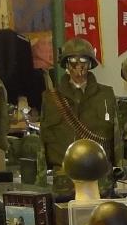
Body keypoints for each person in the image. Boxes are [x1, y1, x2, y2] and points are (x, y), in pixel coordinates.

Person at [40, 38, 121, 171]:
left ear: (90, 64)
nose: (78, 65)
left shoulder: (106, 95)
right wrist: (42, 175)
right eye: (73, 60)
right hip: (61, 172)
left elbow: (116, 138)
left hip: (98, 171)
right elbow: (43, 141)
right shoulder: (50, 98)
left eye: (83, 60)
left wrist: (118, 169)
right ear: (66, 64)